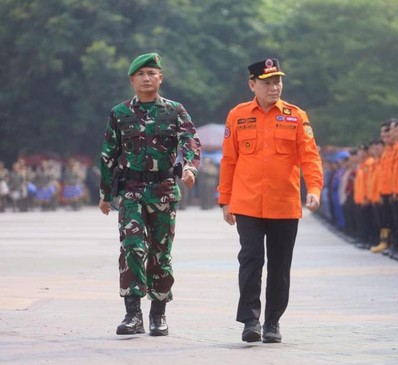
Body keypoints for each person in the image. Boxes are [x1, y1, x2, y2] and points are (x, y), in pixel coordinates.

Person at [218, 58, 323, 344]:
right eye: (267, 82)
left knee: (280, 264)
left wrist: (313, 187)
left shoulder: (295, 115)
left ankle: (273, 321)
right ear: (252, 84)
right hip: (247, 203)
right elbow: (229, 160)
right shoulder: (237, 115)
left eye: (277, 81)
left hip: (284, 203)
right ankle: (250, 320)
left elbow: (309, 156)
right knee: (251, 259)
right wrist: (224, 199)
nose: (274, 87)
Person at [98, 53, 201, 336]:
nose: (146, 78)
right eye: (141, 74)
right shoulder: (119, 113)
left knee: (160, 253)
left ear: (160, 78)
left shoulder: (175, 110)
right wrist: (106, 194)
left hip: (164, 191)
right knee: (132, 247)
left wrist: (190, 167)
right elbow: (109, 154)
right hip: (130, 192)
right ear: (132, 80)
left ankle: (158, 315)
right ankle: (132, 314)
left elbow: (190, 140)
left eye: (151, 73)